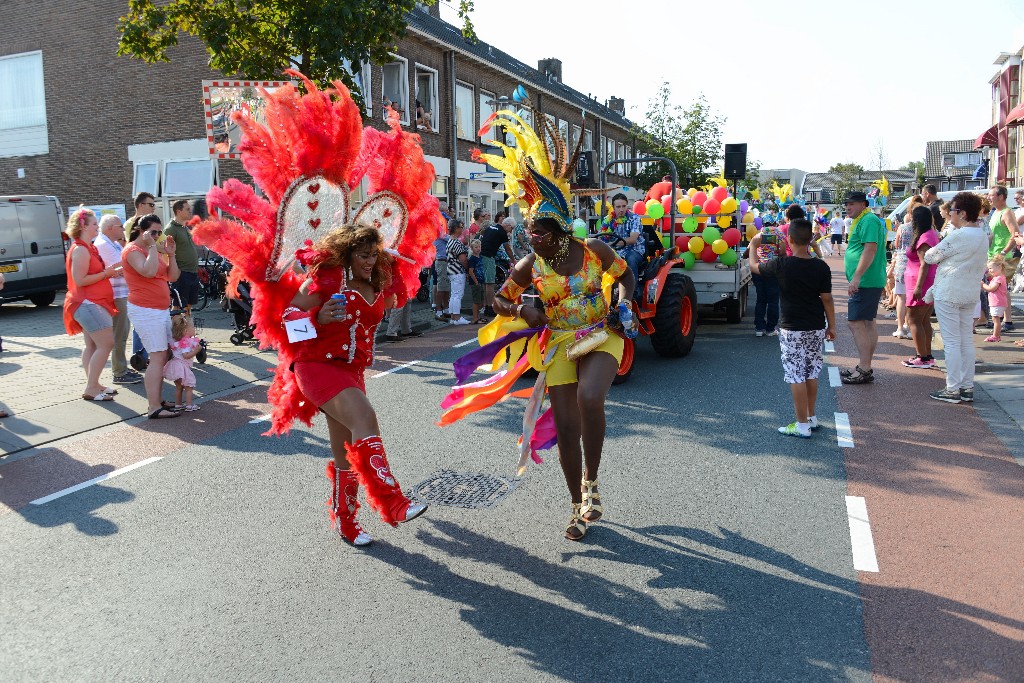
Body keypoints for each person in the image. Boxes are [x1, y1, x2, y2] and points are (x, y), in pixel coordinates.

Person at [192, 75, 439, 548]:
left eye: (375, 254)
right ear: (347, 252)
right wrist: (320, 319)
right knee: (366, 421)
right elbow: (288, 321)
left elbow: (380, 307)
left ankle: (345, 522)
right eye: (362, 254)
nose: (369, 260)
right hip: (317, 367)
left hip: (351, 369)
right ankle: (394, 502)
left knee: (345, 451)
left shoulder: (377, 283)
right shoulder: (323, 279)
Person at [445, 90, 638, 541]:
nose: (531, 238)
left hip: (602, 333)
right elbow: (499, 301)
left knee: (592, 398)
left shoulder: (595, 250)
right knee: (567, 427)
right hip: (560, 341)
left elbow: (627, 278)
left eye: (539, 232)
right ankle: (577, 503)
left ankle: (592, 483)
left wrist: (623, 302)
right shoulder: (529, 264)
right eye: (528, 230)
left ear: (561, 232)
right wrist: (520, 308)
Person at [748, 218, 835, 438]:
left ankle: (801, 425)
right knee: (812, 371)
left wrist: (754, 246)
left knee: (796, 373)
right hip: (815, 325)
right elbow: (827, 299)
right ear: (810, 239)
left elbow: (754, 268)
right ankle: (812, 417)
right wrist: (831, 325)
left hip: (791, 327)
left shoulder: (781, 265)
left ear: (790, 239)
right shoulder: (821, 266)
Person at [923, 192, 989, 403]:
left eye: (951, 210)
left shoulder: (959, 235)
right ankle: (967, 387)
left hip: (950, 291)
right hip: (969, 292)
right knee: (965, 341)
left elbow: (930, 256)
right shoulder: (981, 234)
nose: (949, 214)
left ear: (961, 212)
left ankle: (952, 388)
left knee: (951, 342)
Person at [123, 214, 181, 419]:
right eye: (153, 232)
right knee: (156, 356)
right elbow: (147, 272)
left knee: (162, 355)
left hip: (159, 310)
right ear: (141, 230)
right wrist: (152, 248)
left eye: (159, 232)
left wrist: (171, 255)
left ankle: (158, 400)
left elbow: (172, 276)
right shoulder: (132, 250)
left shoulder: (152, 250)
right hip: (145, 310)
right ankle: (153, 406)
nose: (157, 236)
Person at [62, 207, 121, 402]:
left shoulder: (87, 247)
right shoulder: (80, 249)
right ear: (83, 226)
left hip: (90, 303)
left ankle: (93, 383)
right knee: (106, 343)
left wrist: (109, 271)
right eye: (94, 224)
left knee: (92, 345)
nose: (97, 227)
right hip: (88, 303)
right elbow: (80, 280)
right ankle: (92, 388)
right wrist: (107, 273)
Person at [840, 192, 888, 385]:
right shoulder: (865, 219)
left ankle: (865, 367)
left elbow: (870, 249)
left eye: (851, 204)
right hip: (869, 280)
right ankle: (864, 365)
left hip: (866, 281)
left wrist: (857, 277)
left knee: (856, 322)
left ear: (863, 204)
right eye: (846, 204)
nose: (847, 207)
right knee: (868, 322)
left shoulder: (868, 220)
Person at [94, 214, 142, 385]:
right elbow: (122, 266)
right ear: (110, 228)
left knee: (122, 333)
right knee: (119, 333)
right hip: (116, 294)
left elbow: (123, 265)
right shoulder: (103, 244)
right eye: (120, 226)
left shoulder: (112, 243)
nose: (123, 229)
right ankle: (119, 372)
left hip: (121, 292)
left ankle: (121, 367)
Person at [901, 206, 941, 368]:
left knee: (914, 319)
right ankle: (927, 355)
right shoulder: (931, 234)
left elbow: (924, 264)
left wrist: (918, 287)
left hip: (919, 282)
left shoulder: (924, 237)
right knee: (924, 320)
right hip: (926, 280)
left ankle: (921, 357)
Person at [890, 196, 922, 339]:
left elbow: (896, 244)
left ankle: (900, 328)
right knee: (912, 299)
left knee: (901, 298)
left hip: (902, 263)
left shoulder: (903, 227)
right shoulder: (922, 229)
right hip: (916, 265)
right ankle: (910, 328)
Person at [987, 186, 1019, 331]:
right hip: (992, 255)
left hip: (1002, 257)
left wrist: (1004, 252)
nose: (988, 197)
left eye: (991, 195)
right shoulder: (996, 212)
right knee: (998, 289)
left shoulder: (1007, 213)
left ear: (1001, 197)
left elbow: (1015, 234)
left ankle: (1007, 321)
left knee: (1001, 288)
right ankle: (999, 319)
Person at [750, 217, 785, 337]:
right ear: (774, 222)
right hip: (774, 269)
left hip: (759, 268)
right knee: (773, 301)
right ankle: (771, 329)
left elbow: (750, 249)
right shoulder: (778, 233)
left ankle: (759, 328)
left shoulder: (758, 234)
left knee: (760, 300)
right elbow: (782, 251)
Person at [164, 199, 200, 314]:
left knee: (188, 306)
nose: (191, 212)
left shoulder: (185, 227)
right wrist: (175, 272)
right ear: (179, 211)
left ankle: (186, 330)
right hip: (182, 274)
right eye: (187, 209)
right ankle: (177, 331)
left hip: (192, 272)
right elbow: (164, 251)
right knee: (178, 307)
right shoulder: (171, 228)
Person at [602, 193, 646, 280]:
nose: (621, 209)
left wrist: (612, 243)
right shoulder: (607, 220)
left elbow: (633, 239)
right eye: (618, 207)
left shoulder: (634, 218)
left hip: (634, 250)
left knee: (631, 260)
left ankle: (633, 292)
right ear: (613, 207)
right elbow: (602, 237)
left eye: (623, 206)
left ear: (627, 206)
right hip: (614, 251)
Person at [164, 313, 202, 411]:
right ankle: (189, 406)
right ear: (186, 331)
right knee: (189, 386)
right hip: (181, 366)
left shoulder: (177, 341)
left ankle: (178, 404)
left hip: (174, 366)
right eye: (193, 327)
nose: (194, 329)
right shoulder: (185, 342)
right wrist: (195, 351)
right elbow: (186, 356)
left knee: (178, 387)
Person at [479, 217, 514, 317]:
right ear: (507, 226)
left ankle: (486, 306)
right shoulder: (502, 233)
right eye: (511, 228)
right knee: (490, 283)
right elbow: (508, 249)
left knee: (486, 283)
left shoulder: (491, 228)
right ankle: (490, 307)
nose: (511, 231)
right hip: (489, 256)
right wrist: (514, 260)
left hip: (483, 255)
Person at [446, 219, 471, 325]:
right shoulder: (457, 243)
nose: (462, 229)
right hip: (457, 271)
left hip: (451, 271)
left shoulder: (450, 241)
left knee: (453, 295)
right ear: (456, 229)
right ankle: (457, 317)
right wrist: (467, 269)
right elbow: (463, 259)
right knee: (458, 295)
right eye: (461, 227)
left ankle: (453, 317)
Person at [982, 256, 1010, 342]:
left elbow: (991, 289)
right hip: (996, 302)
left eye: (991, 268)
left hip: (998, 302)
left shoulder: (999, 278)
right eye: (988, 268)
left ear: (999, 267)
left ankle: (996, 336)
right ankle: (996, 335)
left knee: (996, 319)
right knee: (995, 319)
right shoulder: (997, 277)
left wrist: (982, 285)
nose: (989, 270)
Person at [467, 238, 488, 323]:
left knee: (481, 301)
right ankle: (475, 318)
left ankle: (478, 316)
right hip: (476, 282)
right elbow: (470, 271)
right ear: (472, 248)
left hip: (481, 281)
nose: (478, 249)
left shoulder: (480, 257)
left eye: (479, 247)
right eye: (476, 247)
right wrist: (476, 282)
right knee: (476, 301)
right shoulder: (472, 259)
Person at [433, 222, 451, 320]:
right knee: (441, 287)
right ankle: (439, 311)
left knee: (446, 287)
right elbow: (451, 239)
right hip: (441, 261)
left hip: (445, 262)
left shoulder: (442, 233)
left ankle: (446, 309)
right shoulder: (439, 233)